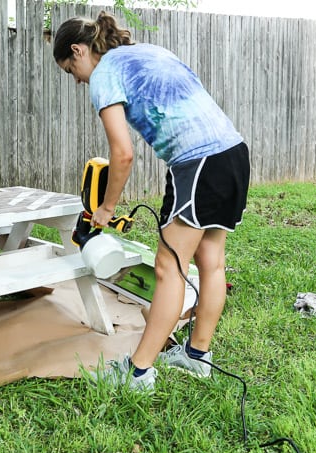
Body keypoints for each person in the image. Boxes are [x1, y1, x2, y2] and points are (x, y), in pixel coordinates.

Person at [53, 11, 250, 391]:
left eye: (69, 69)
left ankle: (138, 372)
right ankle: (196, 356)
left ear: (78, 51)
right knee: (210, 261)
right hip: (233, 154)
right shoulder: (147, 52)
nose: (77, 80)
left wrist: (106, 209)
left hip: (198, 163)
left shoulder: (105, 72)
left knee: (167, 267)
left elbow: (122, 154)